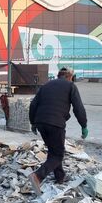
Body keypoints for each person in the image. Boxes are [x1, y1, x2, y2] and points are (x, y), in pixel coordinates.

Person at [28, 67, 88, 195]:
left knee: (54, 150)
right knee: (58, 154)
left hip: (40, 122)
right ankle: (38, 176)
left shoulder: (46, 85)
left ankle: (60, 177)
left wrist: (33, 123)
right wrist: (84, 125)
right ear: (70, 77)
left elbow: (33, 105)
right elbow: (78, 108)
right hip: (55, 123)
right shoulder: (70, 86)